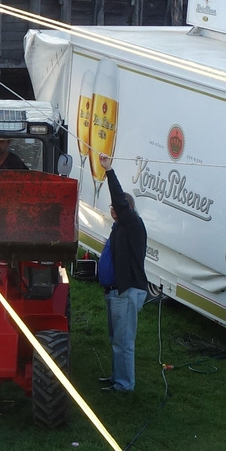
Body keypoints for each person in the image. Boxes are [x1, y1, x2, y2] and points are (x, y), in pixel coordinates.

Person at [99, 152, 148, 392]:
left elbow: (119, 199)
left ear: (127, 208)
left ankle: (125, 384)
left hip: (126, 292)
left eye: (117, 207)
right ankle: (117, 377)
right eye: (112, 207)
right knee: (115, 340)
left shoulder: (132, 224)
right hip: (114, 293)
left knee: (124, 343)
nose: (113, 209)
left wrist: (109, 170)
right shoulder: (120, 227)